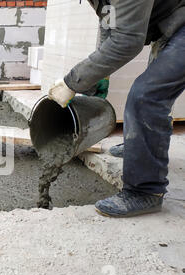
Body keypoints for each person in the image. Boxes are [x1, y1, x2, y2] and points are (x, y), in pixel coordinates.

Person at [48, 0, 185, 217]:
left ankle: (145, 191)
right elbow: (108, 22)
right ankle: (141, 149)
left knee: (145, 97)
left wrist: (72, 82)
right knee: (154, 95)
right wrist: (100, 72)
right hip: (173, 24)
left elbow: (128, 41)